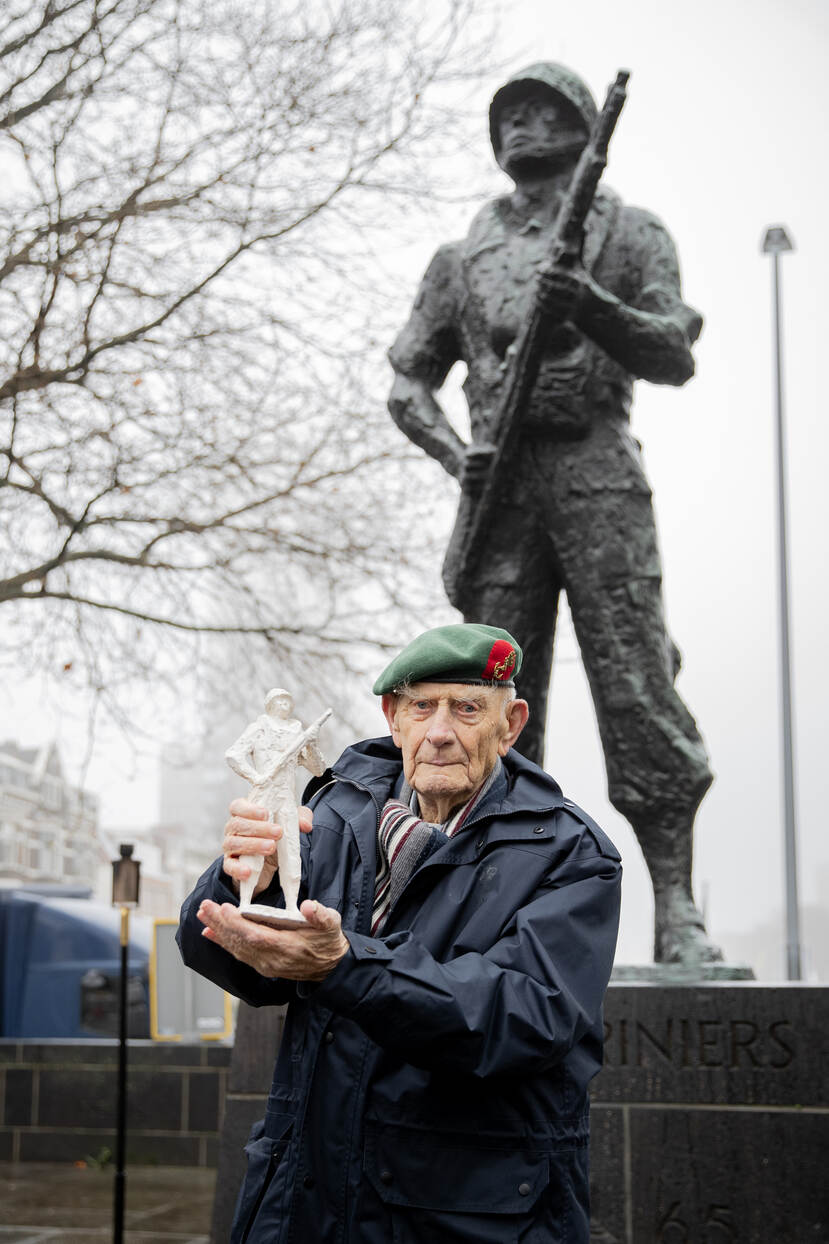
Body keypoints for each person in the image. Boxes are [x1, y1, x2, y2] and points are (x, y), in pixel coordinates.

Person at [387, 62, 718, 965]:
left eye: (543, 109)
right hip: (501, 498)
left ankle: (677, 906)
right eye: (509, 113)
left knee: (636, 686)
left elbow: (673, 351)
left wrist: (592, 307)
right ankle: (484, 903)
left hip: (597, 476)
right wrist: (461, 459)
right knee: (487, 701)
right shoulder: (460, 260)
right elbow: (406, 380)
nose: (523, 124)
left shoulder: (629, 231)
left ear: (580, 124)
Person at [178, 622, 621, 1244]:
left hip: (463, 1217)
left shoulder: (570, 852)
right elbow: (222, 958)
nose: (440, 732)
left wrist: (343, 965)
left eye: (467, 708)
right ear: (393, 716)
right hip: (300, 1207)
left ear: (510, 724)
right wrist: (238, 882)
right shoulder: (333, 809)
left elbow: (525, 1018)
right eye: (421, 707)